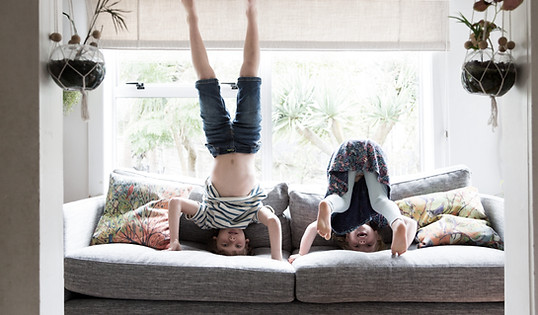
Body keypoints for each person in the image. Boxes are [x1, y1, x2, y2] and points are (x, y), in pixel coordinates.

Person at [167, 0, 283, 261]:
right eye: (238, 247)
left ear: (214, 239)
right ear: (247, 240)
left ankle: (191, 16)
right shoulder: (255, 214)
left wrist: (175, 240)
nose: (232, 241)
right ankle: (252, 13)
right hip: (248, 141)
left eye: (225, 246)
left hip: (218, 143)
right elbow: (274, 223)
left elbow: (175, 203)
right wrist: (276, 261)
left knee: (205, 79)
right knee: (250, 75)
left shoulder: (208, 219)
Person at [288, 139, 417, 263]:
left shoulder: (341, 222)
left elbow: (312, 228)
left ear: (347, 238)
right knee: (379, 201)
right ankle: (397, 223)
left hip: (346, 153)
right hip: (371, 152)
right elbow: (411, 223)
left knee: (344, 203)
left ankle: (328, 204)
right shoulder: (378, 217)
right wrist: (404, 248)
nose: (362, 243)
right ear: (377, 235)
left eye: (356, 246)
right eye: (369, 245)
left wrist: (301, 254)